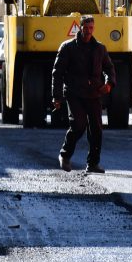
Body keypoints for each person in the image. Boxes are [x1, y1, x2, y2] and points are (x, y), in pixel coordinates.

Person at [52, 14, 116, 174]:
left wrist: (109, 83)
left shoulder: (100, 48)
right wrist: (57, 97)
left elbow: (109, 68)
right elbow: (57, 73)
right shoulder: (67, 47)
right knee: (78, 125)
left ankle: (93, 163)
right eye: (86, 28)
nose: (88, 31)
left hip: (94, 94)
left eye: (91, 28)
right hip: (74, 93)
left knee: (96, 129)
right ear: (80, 28)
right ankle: (64, 155)